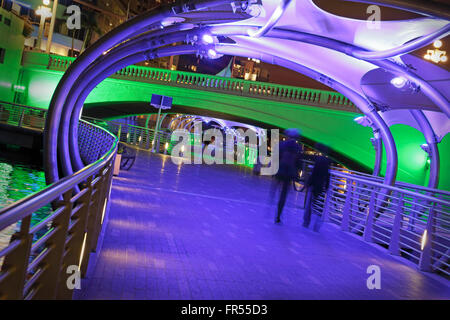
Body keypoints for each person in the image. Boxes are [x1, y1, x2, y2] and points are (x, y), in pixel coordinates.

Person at [273, 129, 303, 223]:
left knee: (274, 190)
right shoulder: (298, 147)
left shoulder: (281, 144)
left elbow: (276, 158)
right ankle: (278, 215)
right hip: (289, 174)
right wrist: (297, 173)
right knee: (283, 195)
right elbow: (299, 163)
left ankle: (270, 205)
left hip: (280, 171)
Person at [303, 143, 332, 231]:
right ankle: (317, 226)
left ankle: (306, 222)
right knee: (319, 206)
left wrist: (308, 183)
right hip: (321, 186)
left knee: (309, 204)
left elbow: (314, 173)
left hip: (314, 184)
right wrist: (326, 186)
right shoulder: (327, 161)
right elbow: (327, 175)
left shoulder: (318, 160)